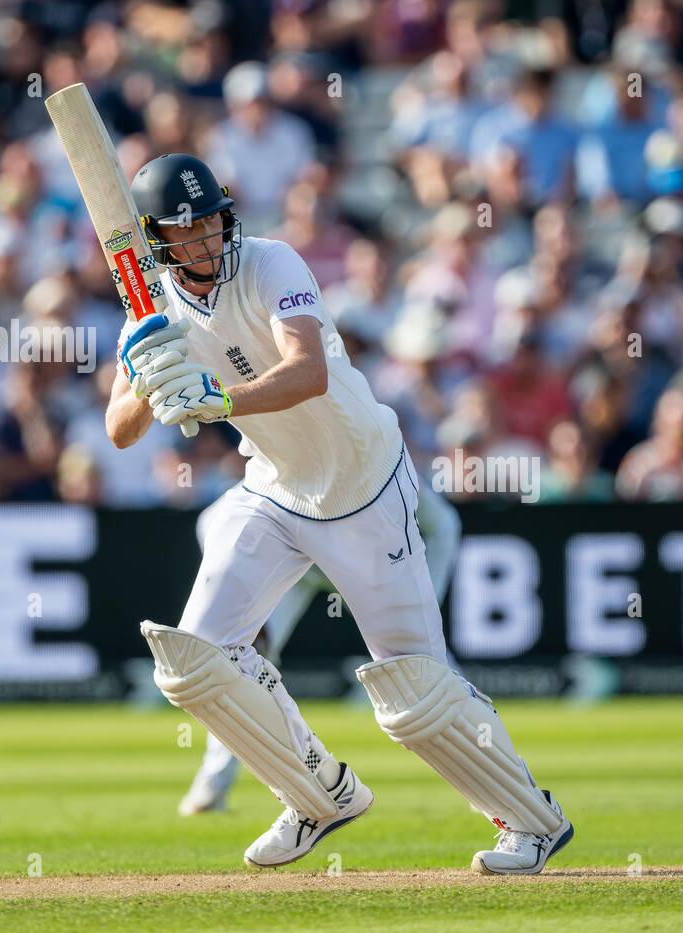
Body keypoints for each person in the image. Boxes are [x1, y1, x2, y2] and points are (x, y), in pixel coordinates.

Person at [112, 152, 572, 875]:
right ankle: (317, 795)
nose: (205, 238)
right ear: (157, 239)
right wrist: (145, 376)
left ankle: (531, 821)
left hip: (363, 484)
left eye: (211, 221)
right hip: (274, 488)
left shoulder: (273, 263)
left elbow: (308, 370)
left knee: (414, 690)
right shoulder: (153, 311)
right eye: (186, 229)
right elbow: (119, 429)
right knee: (194, 662)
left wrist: (221, 400)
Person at [177, 480, 462, 816]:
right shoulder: (274, 473)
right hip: (297, 568)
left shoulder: (384, 466)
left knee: (424, 662)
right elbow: (212, 522)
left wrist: (427, 602)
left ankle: (482, 776)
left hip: (368, 568)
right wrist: (243, 582)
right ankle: (213, 784)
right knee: (234, 663)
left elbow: (444, 524)